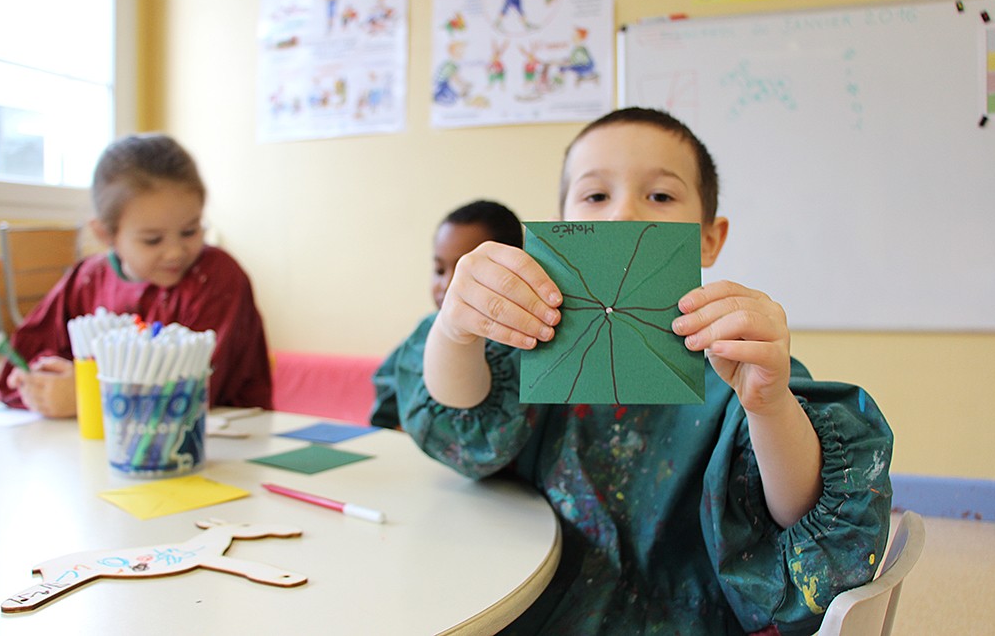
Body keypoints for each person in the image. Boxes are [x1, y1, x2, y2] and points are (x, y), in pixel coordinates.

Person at [378, 108, 893, 634]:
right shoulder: (534, 342)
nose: (623, 213)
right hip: (530, 597)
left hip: (681, 616)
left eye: (661, 196)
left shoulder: (738, 362)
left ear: (709, 238)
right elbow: (461, 418)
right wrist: (455, 332)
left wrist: (770, 405)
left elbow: (803, 517)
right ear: (560, 226)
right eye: (596, 196)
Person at [0, 133, 272, 417]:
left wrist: (88, 397)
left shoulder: (216, 277)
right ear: (106, 234)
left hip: (227, 436)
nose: (175, 252)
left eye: (190, 231)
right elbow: (19, 369)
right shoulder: (86, 279)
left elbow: (192, 393)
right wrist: (39, 383)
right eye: (153, 240)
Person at [370, 199, 521, 429]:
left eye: (466, 271)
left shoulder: (520, 347)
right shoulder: (423, 336)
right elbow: (387, 397)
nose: (448, 284)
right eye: (440, 270)